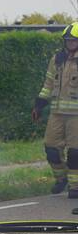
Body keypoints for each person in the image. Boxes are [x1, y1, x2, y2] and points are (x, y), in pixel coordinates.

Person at [33, 23, 78, 197]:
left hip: (76, 116)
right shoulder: (57, 59)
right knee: (51, 149)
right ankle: (62, 179)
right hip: (57, 113)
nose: (70, 43)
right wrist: (39, 105)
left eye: (73, 40)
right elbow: (48, 85)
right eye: (67, 40)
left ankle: (75, 187)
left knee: (75, 153)